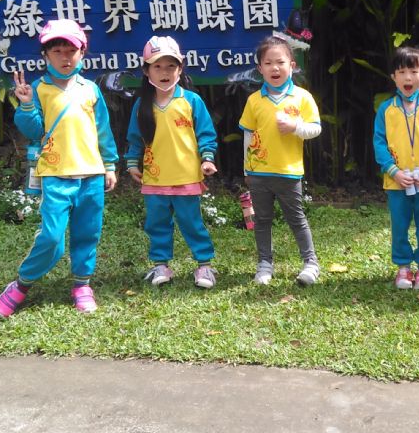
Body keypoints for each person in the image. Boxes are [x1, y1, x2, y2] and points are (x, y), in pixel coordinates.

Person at [0, 19, 118, 317]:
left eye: (71, 50)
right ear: (46, 56)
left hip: (91, 174)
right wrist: (25, 105)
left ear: (82, 53)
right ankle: (21, 284)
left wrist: (110, 164)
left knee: (88, 233)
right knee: (51, 237)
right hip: (55, 174)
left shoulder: (91, 89)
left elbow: (103, 130)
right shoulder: (38, 89)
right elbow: (34, 131)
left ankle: (82, 285)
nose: (65, 57)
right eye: (57, 51)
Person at [125, 36, 219, 289]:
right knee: (157, 224)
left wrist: (207, 159)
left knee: (192, 223)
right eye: (157, 66)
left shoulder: (191, 101)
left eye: (170, 66)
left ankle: (204, 265)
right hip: (155, 178)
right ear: (146, 71)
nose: (164, 72)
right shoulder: (142, 105)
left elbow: (206, 134)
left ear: (180, 68)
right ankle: (160, 265)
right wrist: (132, 163)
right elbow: (134, 137)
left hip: (186, 177)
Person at [239, 36, 322, 286]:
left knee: (296, 219)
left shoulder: (302, 97)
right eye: (268, 63)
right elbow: (248, 136)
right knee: (262, 221)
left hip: (289, 172)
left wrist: (296, 126)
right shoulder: (254, 100)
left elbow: (315, 129)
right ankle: (264, 264)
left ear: (292, 66)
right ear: (260, 68)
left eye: (280, 62)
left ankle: (311, 263)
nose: (275, 68)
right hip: (259, 174)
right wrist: (247, 169)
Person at [373, 46, 419, 290]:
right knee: (400, 225)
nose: (408, 77)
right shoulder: (386, 109)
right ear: (393, 77)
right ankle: (403, 267)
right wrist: (393, 171)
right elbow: (379, 143)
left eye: (414, 71)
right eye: (402, 72)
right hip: (397, 182)